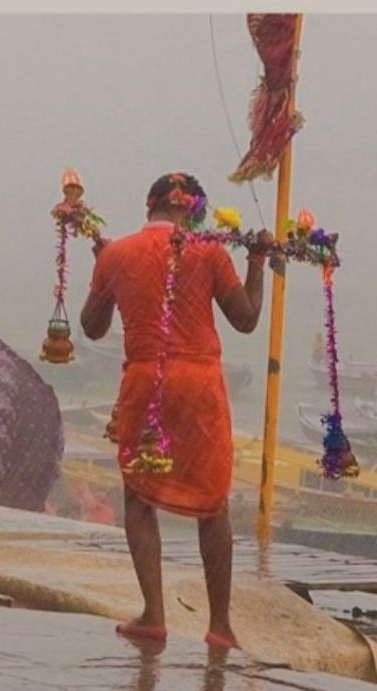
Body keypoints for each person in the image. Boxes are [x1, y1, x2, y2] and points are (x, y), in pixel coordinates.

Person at [80, 172, 272, 650]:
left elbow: (91, 327)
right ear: (193, 210)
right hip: (199, 383)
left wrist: (104, 272)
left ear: (151, 207)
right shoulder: (209, 250)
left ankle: (154, 613)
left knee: (138, 499)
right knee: (214, 505)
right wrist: (257, 261)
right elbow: (246, 319)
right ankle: (220, 625)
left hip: (146, 380)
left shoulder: (116, 253)